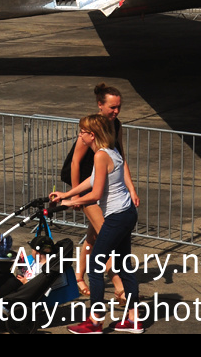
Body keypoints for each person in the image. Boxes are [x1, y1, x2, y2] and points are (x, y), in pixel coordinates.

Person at [51, 115, 143, 334]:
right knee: (123, 267)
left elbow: (96, 193)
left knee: (94, 266)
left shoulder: (101, 155)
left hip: (118, 217)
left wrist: (70, 202)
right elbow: (91, 180)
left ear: (92, 135)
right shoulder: (110, 152)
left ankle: (95, 321)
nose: (79, 135)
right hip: (127, 213)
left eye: (82, 132)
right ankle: (134, 320)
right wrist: (68, 193)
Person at [66, 83, 136, 298]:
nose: (115, 111)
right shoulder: (91, 129)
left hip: (103, 186)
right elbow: (75, 162)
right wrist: (76, 196)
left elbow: (121, 157)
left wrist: (131, 189)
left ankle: (78, 276)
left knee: (95, 236)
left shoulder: (116, 126)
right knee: (105, 232)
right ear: (100, 105)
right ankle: (119, 286)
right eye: (112, 107)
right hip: (87, 187)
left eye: (118, 107)